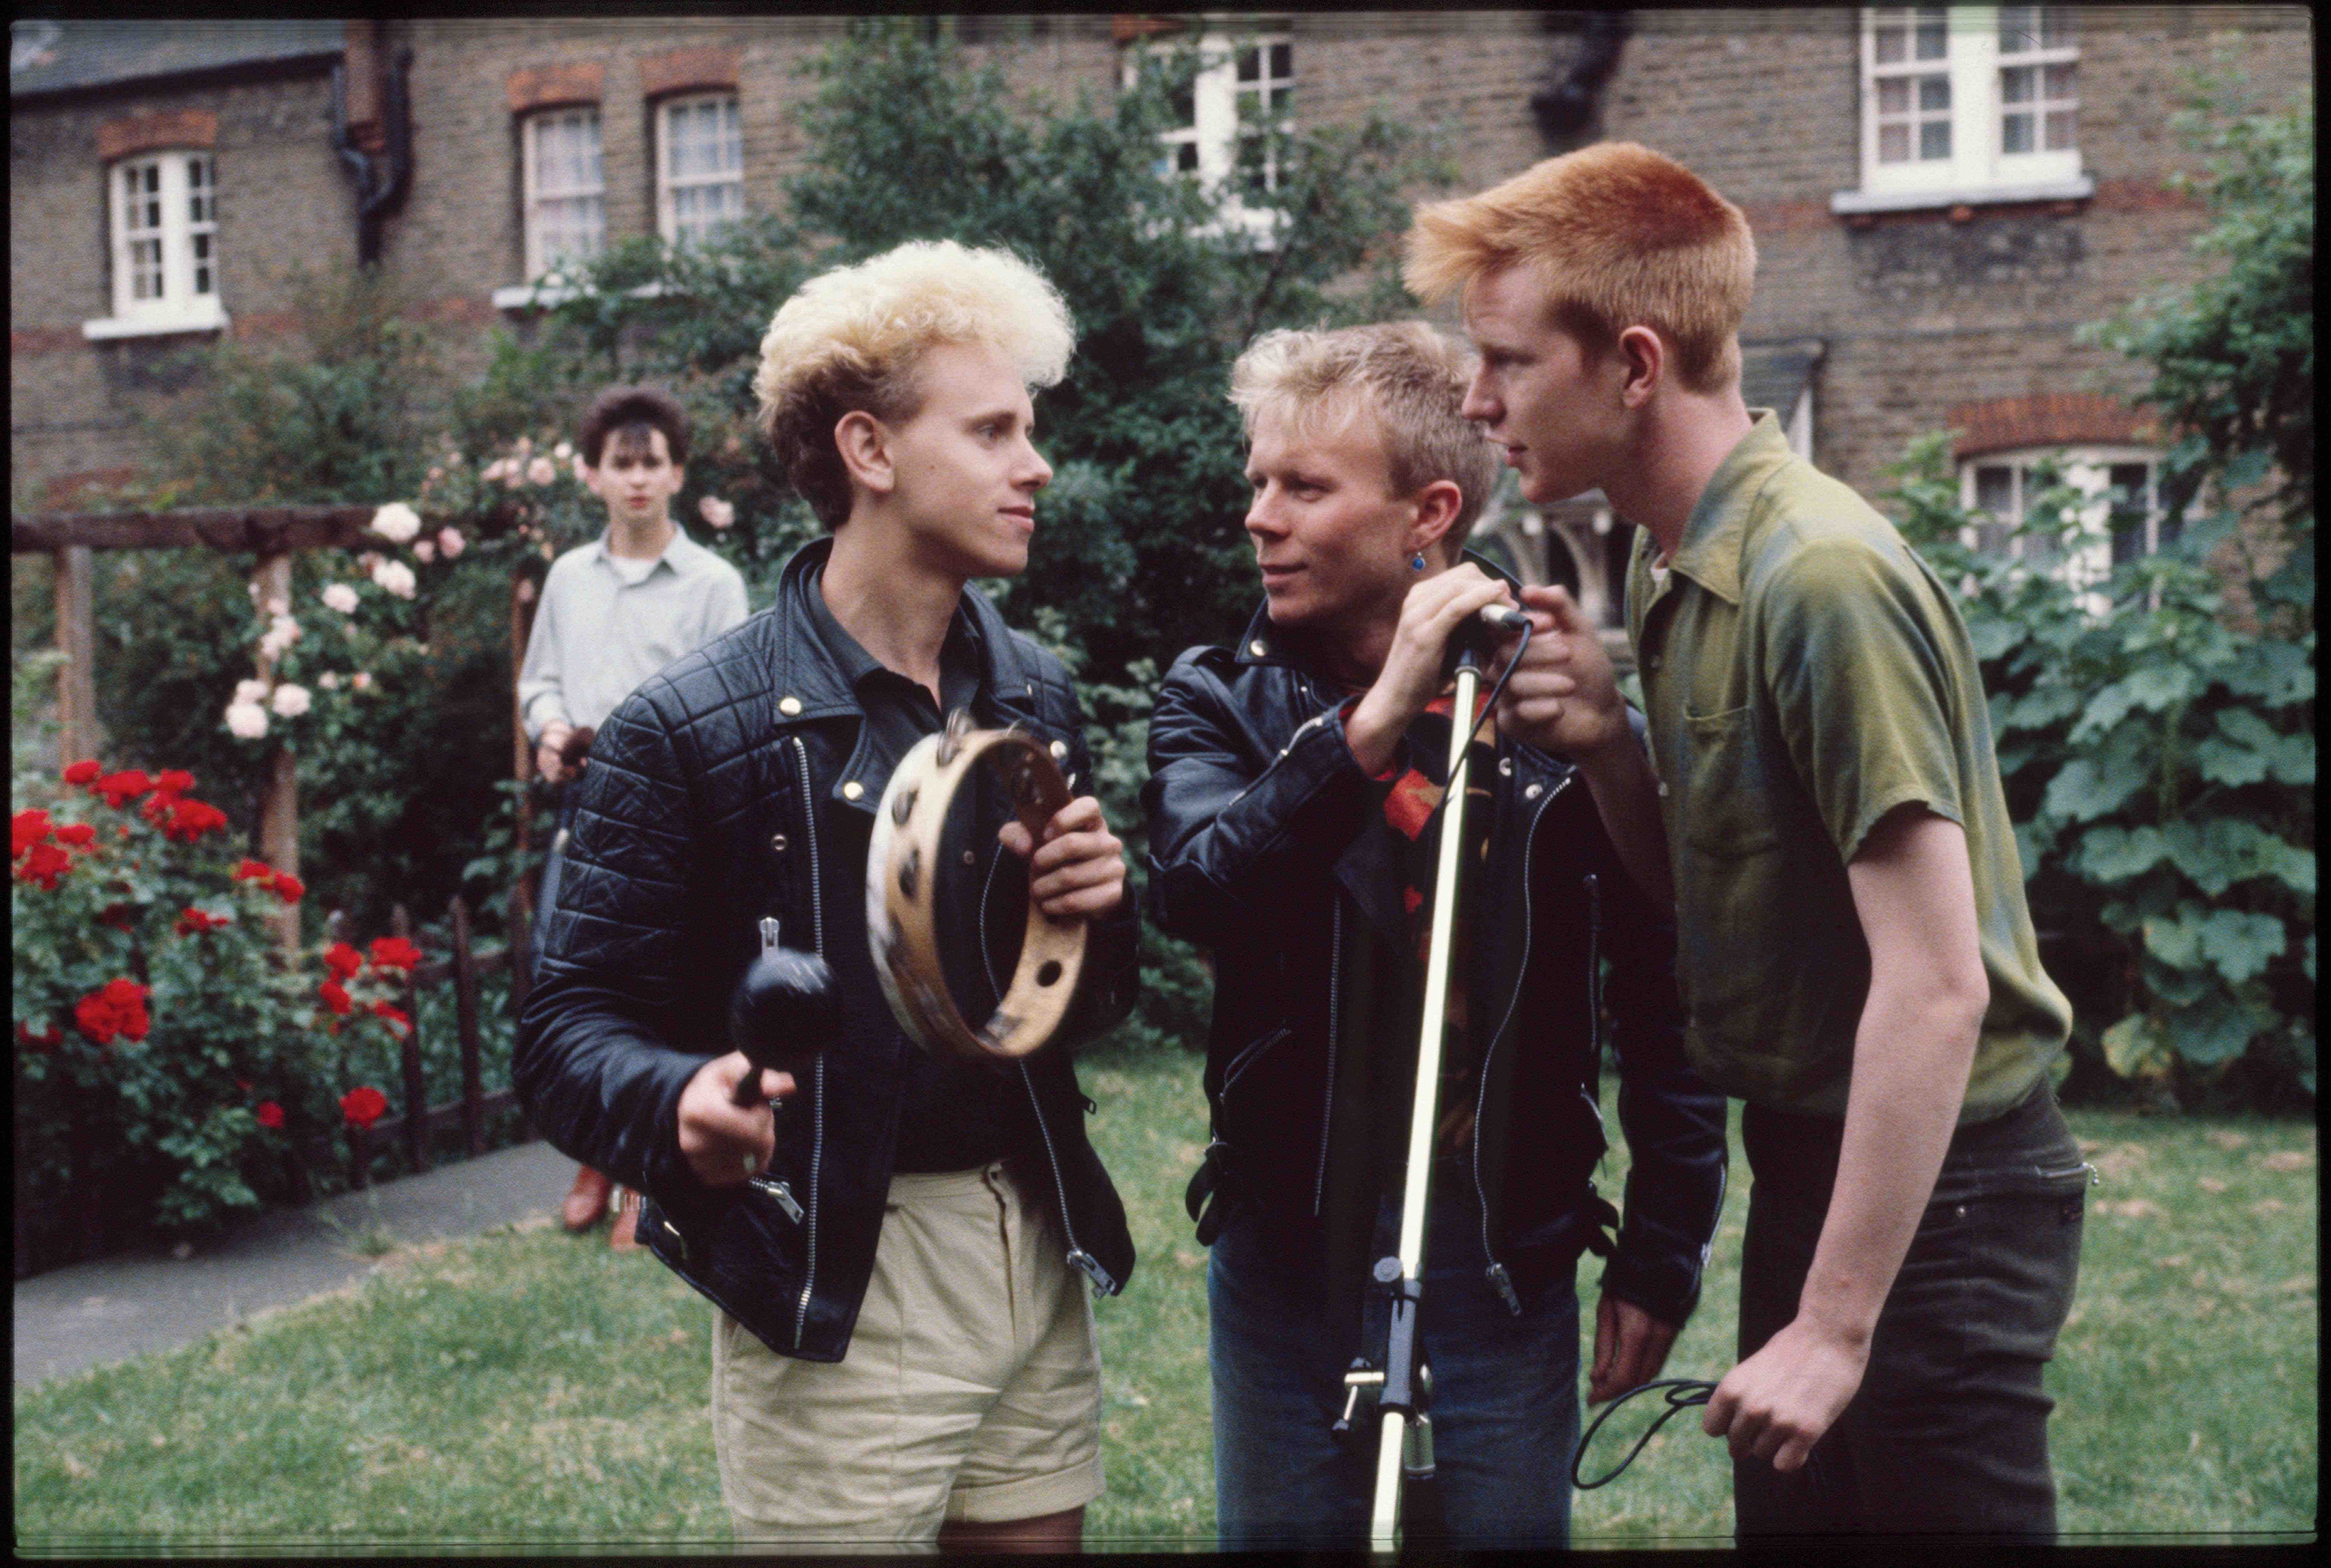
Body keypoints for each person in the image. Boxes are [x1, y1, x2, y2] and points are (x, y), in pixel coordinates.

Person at [1405, 142, 2086, 1538]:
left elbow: (1938, 983)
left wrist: (1834, 1331)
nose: (1476, 404)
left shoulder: (1816, 577)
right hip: (1823, 1165)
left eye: (1507, 363)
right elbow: (1719, 905)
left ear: (1635, 364)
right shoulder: (1679, 562)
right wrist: (1604, 744)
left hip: (1941, 1197)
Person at [514, 239, 1140, 1550]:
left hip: (1030, 1238)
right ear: (869, 450)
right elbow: (564, 1031)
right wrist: (677, 1100)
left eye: (1030, 429)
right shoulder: (689, 728)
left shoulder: (1032, 692)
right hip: (833, 1263)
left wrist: (1093, 916)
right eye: (993, 431)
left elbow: (1082, 1016)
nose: (1035, 466)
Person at [1142, 320, 1727, 1550]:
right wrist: (1373, 722)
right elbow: (1197, 893)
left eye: (1304, 486)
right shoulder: (1220, 696)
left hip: (1499, 1248)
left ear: (1430, 511)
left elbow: (1664, 980)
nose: (1261, 516)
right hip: (1287, 1248)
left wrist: (1661, 1250)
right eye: (1257, 482)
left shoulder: (1548, 698)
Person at [516, 384, 750, 1241]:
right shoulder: (571, 581)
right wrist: (547, 729)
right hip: (586, 803)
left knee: (670, 980)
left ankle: (651, 1175)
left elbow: (736, 704)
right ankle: (595, 1155)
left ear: (678, 473)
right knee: (573, 973)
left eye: (654, 464)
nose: (639, 481)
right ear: (593, 476)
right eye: (623, 465)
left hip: (682, 814)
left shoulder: (714, 586)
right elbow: (539, 678)